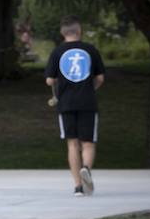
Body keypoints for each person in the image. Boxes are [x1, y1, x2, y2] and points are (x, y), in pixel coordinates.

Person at [44, 16, 105, 196]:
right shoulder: (90, 50)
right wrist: (91, 88)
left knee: (72, 144)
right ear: (79, 31)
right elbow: (100, 78)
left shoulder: (57, 52)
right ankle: (86, 168)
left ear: (63, 33)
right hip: (88, 101)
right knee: (88, 143)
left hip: (66, 103)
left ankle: (78, 186)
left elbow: (49, 80)